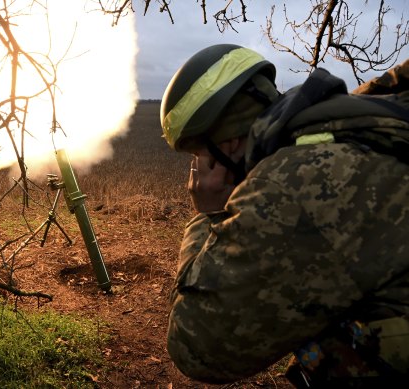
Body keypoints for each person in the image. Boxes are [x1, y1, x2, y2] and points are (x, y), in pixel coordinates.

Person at [160, 43, 409, 388]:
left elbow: (197, 348)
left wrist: (210, 213)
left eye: (201, 156)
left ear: (227, 146)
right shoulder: (354, 123)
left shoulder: (289, 183)